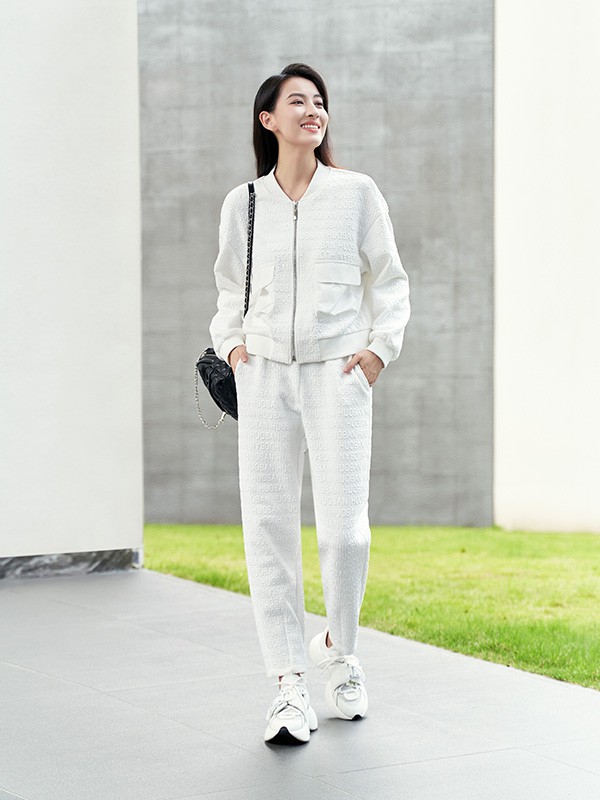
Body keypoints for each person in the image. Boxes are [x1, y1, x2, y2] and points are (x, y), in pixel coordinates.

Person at [209, 63, 410, 746]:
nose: (313, 110)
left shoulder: (356, 193)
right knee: (267, 528)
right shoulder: (244, 203)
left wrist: (378, 352)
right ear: (268, 119)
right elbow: (228, 288)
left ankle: (340, 649)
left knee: (345, 533)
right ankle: (288, 683)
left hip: (338, 374)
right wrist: (234, 349)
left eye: (319, 101)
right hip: (264, 373)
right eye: (298, 101)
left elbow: (391, 280)